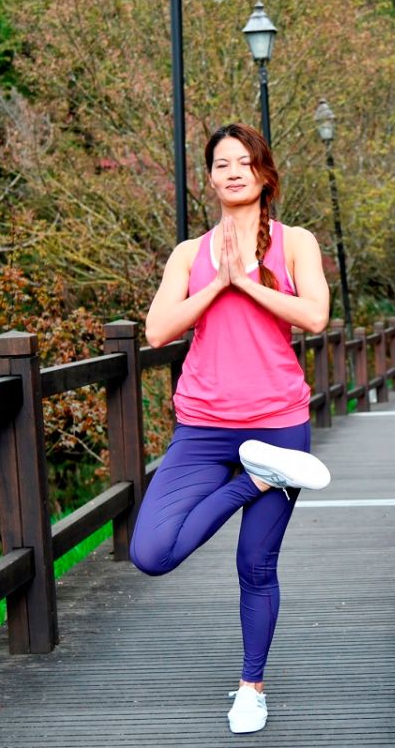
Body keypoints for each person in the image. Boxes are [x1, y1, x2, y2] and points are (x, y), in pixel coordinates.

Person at [130, 122, 332, 734]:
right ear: (210, 178)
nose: (234, 171)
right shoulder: (189, 255)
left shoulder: (295, 243)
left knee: (254, 564)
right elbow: (157, 331)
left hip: (276, 424)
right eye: (222, 164)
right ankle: (257, 482)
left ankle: (251, 687)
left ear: (265, 175)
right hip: (202, 427)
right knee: (151, 552)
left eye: (245, 162)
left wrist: (246, 281)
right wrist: (217, 283)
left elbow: (316, 316)